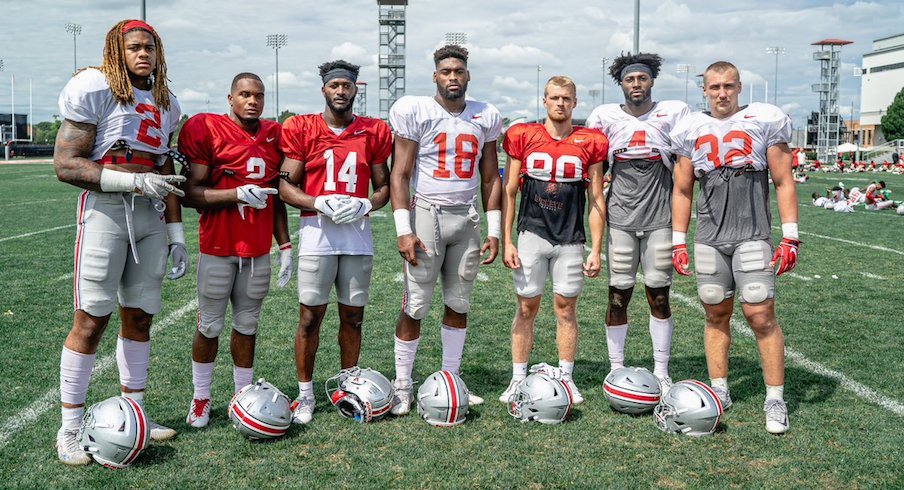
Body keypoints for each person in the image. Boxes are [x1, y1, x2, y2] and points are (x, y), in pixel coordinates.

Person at [53, 19, 186, 465]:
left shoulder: (168, 104)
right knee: (91, 319)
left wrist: (176, 235)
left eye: (149, 46)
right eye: (133, 47)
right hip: (106, 213)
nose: (143, 54)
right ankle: (70, 428)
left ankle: (134, 412)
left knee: (141, 317)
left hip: (149, 216)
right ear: (117, 50)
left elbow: (165, 174)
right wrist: (130, 184)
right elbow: (67, 165)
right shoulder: (95, 87)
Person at [670, 61, 799, 434]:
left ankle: (775, 398)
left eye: (728, 86)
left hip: (751, 232)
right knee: (715, 312)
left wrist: (790, 235)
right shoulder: (690, 128)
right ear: (704, 90)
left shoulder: (763, 120)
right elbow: (682, 189)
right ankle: (720, 389)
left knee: (761, 315)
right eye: (714, 87)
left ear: (740, 87)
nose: (722, 93)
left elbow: (783, 180)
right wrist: (679, 241)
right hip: (710, 236)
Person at [387, 45, 502, 415]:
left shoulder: (485, 115)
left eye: (459, 71)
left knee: (458, 302)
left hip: (466, 217)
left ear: (468, 75)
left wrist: (495, 228)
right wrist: (403, 229)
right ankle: (403, 384)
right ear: (435, 76)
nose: (453, 76)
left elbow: (490, 177)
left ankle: (451, 378)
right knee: (416, 304)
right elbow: (400, 174)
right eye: (446, 71)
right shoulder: (415, 111)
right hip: (427, 214)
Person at [279, 60, 392, 424]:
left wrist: (365, 203)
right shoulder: (301, 127)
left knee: (353, 316)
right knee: (310, 316)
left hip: (357, 235)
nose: (340, 91)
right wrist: (317, 201)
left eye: (347, 85)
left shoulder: (373, 131)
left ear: (356, 89)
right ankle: (306, 394)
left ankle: (348, 386)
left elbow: (384, 188)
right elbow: (284, 186)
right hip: (317, 232)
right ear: (324, 89)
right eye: (335, 85)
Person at [178, 73, 290, 429]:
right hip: (218, 247)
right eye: (245, 94)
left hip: (257, 251)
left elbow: (277, 198)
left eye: (258, 95)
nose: (252, 101)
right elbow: (190, 194)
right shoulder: (208, 130)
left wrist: (284, 244)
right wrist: (236, 194)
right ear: (230, 98)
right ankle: (201, 396)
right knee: (209, 326)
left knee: (247, 325)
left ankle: (242, 395)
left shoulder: (273, 136)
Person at [498, 76, 607, 404]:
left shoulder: (590, 142)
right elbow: (510, 190)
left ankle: (566, 376)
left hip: (570, 238)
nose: (560, 103)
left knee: (566, 309)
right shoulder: (524, 136)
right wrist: (507, 240)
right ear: (544, 101)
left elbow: (596, 197)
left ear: (575, 103)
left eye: (566, 98)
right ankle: (518, 378)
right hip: (532, 233)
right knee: (526, 307)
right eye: (555, 98)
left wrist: (597, 249)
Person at [586, 52, 689, 392]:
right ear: (621, 83)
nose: (636, 84)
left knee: (659, 295)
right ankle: (616, 368)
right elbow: (594, 173)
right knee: (618, 296)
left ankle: (661, 369)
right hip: (621, 219)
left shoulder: (671, 114)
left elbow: (688, 165)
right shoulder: (605, 117)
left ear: (651, 81)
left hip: (660, 217)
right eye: (630, 79)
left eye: (641, 78)